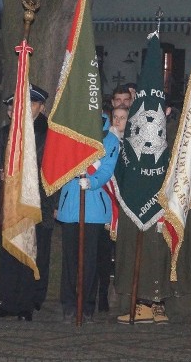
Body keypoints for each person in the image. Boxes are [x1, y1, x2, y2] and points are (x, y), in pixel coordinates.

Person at [0, 85, 56, 321]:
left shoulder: (49, 134)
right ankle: (7, 301)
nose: (25, 109)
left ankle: (28, 302)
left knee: (33, 253)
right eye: (19, 105)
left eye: (31, 104)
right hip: (10, 202)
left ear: (41, 107)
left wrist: (52, 204)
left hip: (38, 203)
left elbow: (54, 173)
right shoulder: (5, 133)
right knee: (10, 252)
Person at [57, 115, 119, 323]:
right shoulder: (71, 133)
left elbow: (108, 168)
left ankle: (87, 306)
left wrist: (91, 182)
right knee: (70, 259)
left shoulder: (109, 139)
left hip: (94, 206)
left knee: (90, 260)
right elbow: (59, 161)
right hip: (70, 202)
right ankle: (69, 304)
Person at [94, 106, 128, 313]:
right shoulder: (106, 140)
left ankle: (123, 293)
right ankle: (102, 294)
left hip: (126, 203)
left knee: (123, 253)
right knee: (103, 253)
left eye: (122, 118)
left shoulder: (132, 143)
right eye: (115, 117)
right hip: (107, 202)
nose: (117, 121)